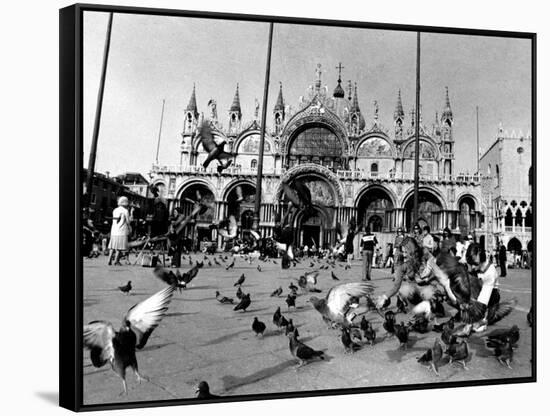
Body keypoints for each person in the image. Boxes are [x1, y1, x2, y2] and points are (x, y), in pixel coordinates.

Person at [108, 196, 131, 266]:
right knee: (119, 247)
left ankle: (109, 259)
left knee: (112, 246)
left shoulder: (115, 210)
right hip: (122, 231)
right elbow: (128, 221)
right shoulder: (125, 211)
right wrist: (131, 213)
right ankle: (116, 261)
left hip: (114, 230)